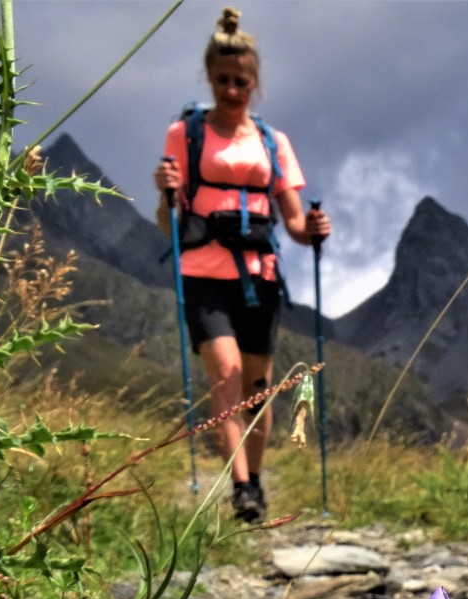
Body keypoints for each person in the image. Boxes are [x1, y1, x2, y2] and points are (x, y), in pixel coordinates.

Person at [154, 7, 331, 523]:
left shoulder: (274, 143)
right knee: (226, 374)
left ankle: (254, 479)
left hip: (260, 277)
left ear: (256, 84)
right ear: (210, 79)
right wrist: (163, 193)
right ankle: (241, 488)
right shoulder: (183, 135)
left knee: (258, 387)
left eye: (242, 82)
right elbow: (169, 221)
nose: (233, 90)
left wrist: (314, 231)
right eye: (224, 80)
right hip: (203, 274)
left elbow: (294, 222)